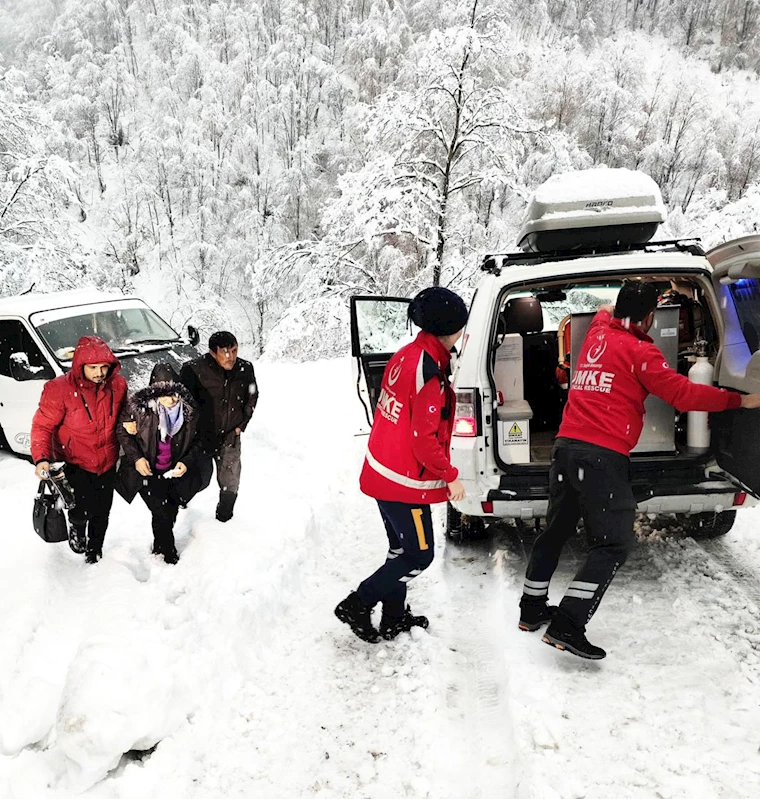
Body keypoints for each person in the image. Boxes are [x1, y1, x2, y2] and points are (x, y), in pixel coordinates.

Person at [519, 281, 760, 660]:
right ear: (650, 318)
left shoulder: (598, 331)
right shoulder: (641, 353)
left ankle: (531, 610)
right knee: (613, 544)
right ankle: (568, 623)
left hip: (565, 449)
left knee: (556, 530)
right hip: (601, 455)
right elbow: (684, 394)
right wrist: (740, 400)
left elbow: (603, 312)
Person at [335, 287, 468, 643]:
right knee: (418, 556)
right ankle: (357, 604)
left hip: (383, 472)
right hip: (405, 484)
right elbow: (424, 441)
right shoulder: (428, 372)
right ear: (450, 329)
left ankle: (393, 617)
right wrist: (451, 477)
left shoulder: (406, 355)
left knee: (399, 550)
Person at [31, 335, 128, 563]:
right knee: (80, 508)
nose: (99, 373)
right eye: (93, 367)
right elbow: (42, 425)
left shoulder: (118, 385)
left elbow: (126, 416)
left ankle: (95, 550)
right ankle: (76, 529)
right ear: (80, 366)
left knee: (102, 510)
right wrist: (41, 458)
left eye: (104, 367)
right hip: (74, 462)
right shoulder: (59, 389)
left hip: (107, 461)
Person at [116, 364, 207, 564]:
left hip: (173, 472)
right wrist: (137, 458)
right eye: (165, 395)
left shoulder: (190, 412)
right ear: (154, 393)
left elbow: (199, 440)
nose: (172, 399)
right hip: (147, 472)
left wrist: (185, 461)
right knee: (161, 511)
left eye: (175, 393)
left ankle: (159, 545)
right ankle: (168, 554)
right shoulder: (138, 410)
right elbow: (122, 433)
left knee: (170, 509)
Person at [179, 331, 258, 522]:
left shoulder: (245, 368)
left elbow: (252, 395)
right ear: (213, 352)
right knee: (199, 477)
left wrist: (241, 425)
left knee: (230, 480)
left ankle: (224, 518)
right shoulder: (194, 370)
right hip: (201, 437)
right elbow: (183, 403)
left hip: (230, 434)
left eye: (234, 350)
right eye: (225, 352)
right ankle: (180, 500)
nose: (231, 357)